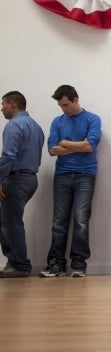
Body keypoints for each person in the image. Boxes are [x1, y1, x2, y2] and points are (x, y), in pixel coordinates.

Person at [40, 85, 102, 278]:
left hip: (85, 175)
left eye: (66, 105)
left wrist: (64, 143)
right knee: (59, 222)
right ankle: (56, 265)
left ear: (75, 99)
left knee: (81, 221)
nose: (63, 109)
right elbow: (51, 150)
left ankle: (78, 265)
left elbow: (89, 146)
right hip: (62, 175)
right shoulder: (57, 121)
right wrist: (78, 145)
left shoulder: (93, 119)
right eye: (61, 106)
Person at [0, 91, 44, 278]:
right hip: (30, 178)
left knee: (10, 222)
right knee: (10, 220)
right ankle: (15, 262)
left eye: (3, 104)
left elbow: (8, 156)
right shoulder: (36, 127)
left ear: (13, 103)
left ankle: (19, 264)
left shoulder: (14, 125)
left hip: (16, 178)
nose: (1, 108)